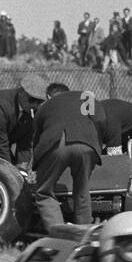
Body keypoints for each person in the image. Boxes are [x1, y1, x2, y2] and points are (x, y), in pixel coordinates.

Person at [31, 89, 107, 230]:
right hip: (87, 145)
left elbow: (37, 138)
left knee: (44, 192)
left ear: (49, 96)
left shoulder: (45, 106)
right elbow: (101, 119)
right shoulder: (86, 97)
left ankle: (59, 233)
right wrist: (97, 140)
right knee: (82, 190)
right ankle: (84, 232)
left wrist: (36, 165)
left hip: (57, 143)